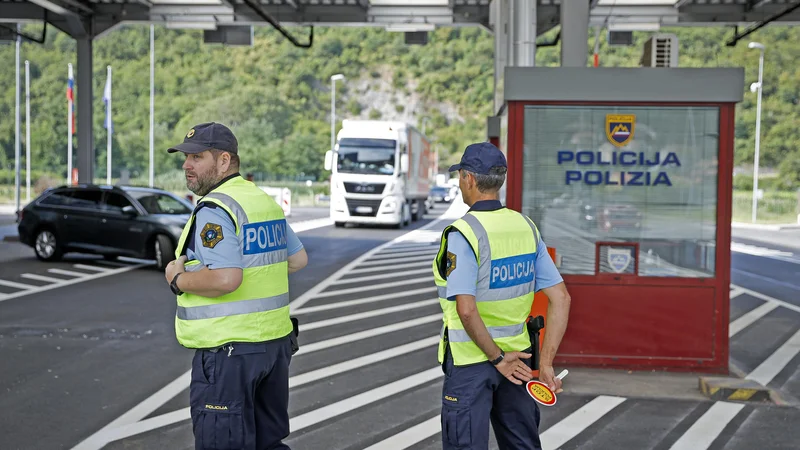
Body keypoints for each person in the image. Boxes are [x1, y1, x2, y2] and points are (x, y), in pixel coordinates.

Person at [164, 122, 308, 450]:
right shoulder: (263, 203)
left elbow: (227, 279)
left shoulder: (217, 209)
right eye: (186, 157)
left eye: (197, 157)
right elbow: (298, 261)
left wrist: (177, 278)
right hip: (273, 347)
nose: (187, 165)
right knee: (267, 442)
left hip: (229, 354)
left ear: (225, 161)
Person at [432, 142, 571, 450]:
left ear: (468, 179)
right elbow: (561, 298)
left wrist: (496, 358)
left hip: (472, 361)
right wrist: (545, 364)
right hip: (520, 361)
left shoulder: (464, 233)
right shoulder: (525, 227)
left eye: (460, 177)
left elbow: (466, 310)